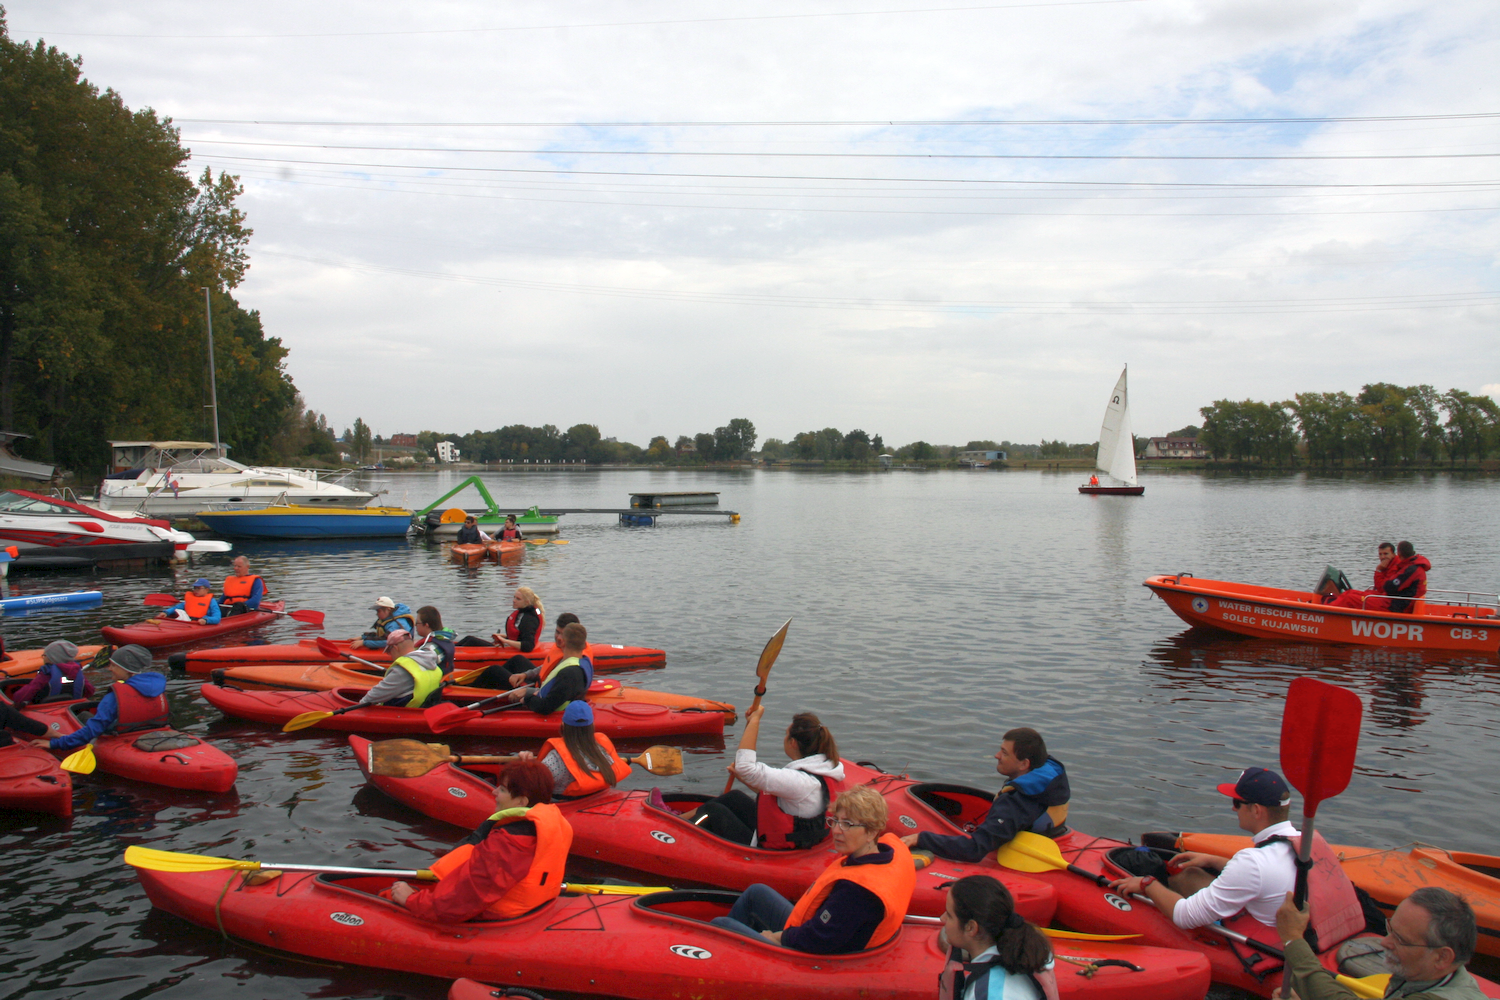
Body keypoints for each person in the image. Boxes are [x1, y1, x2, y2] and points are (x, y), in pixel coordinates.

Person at [1109, 767, 1363, 949]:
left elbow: (1184, 917)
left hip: (1269, 940)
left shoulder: (1252, 862)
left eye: (1236, 802)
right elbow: (1267, 875)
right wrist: (1214, 860)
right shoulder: (1307, 842)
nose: (1233, 809)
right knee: (1195, 872)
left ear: (1256, 810)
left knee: (1184, 879)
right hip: (1316, 929)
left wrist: (1148, 884)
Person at [708, 785, 916, 953]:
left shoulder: (857, 892)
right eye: (835, 821)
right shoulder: (885, 854)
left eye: (847, 824)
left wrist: (777, 937)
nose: (836, 830)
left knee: (720, 925)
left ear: (871, 832)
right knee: (756, 893)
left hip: (812, 958)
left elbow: (817, 940)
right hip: (820, 931)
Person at [388, 759, 573, 921]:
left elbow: (466, 900)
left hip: (500, 913)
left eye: (502, 790)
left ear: (521, 802)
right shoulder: (552, 823)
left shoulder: (508, 843)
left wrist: (412, 900)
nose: (494, 793)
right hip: (530, 905)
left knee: (387, 895)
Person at [1274, 886, 1486, 1000]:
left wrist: (1293, 938)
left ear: (1442, 957)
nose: (1384, 943)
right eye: (1390, 929)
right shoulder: (1433, 977)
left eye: (1401, 939)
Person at [683, 706, 845, 848]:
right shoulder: (825, 767)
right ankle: (678, 819)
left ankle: (678, 834)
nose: (784, 738)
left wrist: (754, 721)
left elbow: (745, 768)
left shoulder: (800, 781)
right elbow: (789, 798)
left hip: (776, 847)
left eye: (786, 735)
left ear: (793, 743)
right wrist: (744, 779)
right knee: (734, 797)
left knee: (713, 812)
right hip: (792, 832)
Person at [901, 728, 1070, 861]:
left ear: (1024, 764)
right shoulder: (1049, 782)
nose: (997, 756)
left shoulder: (1015, 803)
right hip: (1051, 838)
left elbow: (974, 849)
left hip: (1023, 855)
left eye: (1004, 753)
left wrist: (920, 839)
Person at [938, 875, 1059, 1000]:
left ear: (971, 928)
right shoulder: (1016, 953)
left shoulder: (989, 994)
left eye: (949, 915)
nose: (942, 918)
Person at [31, 645, 168, 751]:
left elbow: (92, 730)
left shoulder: (114, 697)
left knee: (83, 715)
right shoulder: (158, 688)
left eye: (113, 665)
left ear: (127, 669)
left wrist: (55, 744)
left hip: (118, 735)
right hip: (148, 733)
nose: (109, 669)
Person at [517, 701, 631, 797]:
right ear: (591, 726)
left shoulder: (555, 760)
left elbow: (532, 788)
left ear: (563, 725)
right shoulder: (603, 750)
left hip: (565, 805)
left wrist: (527, 765)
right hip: (598, 799)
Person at [497, 622, 591, 715]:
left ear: (562, 641)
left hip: (555, 716)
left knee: (495, 671)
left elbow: (545, 707)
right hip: (560, 705)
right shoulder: (583, 662)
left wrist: (527, 698)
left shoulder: (569, 673)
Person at [355, 630, 444, 708]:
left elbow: (374, 696)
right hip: (424, 708)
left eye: (389, 651)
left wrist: (360, 704)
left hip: (402, 714)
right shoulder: (431, 662)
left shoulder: (402, 670)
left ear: (395, 648)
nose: (390, 656)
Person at [455, 586, 543, 651]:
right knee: (468, 639)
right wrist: (503, 637)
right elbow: (520, 636)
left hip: (516, 652)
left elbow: (528, 646)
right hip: (511, 648)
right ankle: (451, 650)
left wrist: (504, 641)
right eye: (514, 597)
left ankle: (451, 654)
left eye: (518, 599)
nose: (514, 600)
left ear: (526, 602)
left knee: (471, 641)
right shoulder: (521, 614)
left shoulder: (529, 619)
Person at [11, 639, 95, 708]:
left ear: (52, 658)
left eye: (45, 656)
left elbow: (20, 697)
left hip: (47, 709)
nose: (43, 658)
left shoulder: (46, 674)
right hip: (71, 707)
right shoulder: (77, 672)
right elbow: (90, 691)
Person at [1327, 543, 1398, 608]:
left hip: (1387, 602)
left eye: (1386, 554)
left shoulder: (1395, 567)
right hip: (1384, 597)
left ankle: (1329, 609)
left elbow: (1381, 588)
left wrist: (1379, 570)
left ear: (1393, 554)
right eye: (1380, 554)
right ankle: (1332, 605)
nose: (1382, 557)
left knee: (1349, 598)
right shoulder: (1388, 565)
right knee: (1350, 592)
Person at [1382, 541, 1430, 614]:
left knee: (1362, 600)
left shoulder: (1410, 570)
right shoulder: (1415, 567)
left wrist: (1379, 571)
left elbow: (1388, 587)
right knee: (1367, 594)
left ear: (1399, 554)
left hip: (1396, 606)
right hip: (1399, 601)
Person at [156, 578, 221, 625]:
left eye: (198, 588)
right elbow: (176, 608)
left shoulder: (212, 602)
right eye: (195, 588)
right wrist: (166, 612)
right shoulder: (190, 599)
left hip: (200, 623)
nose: (195, 590)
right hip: (188, 622)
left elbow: (217, 618)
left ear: (207, 590)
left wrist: (206, 620)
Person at [413, 606, 457, 674]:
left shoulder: (431, 648)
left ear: (426, 625)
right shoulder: (445, 640)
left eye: (417, 623)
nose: (415, 625)